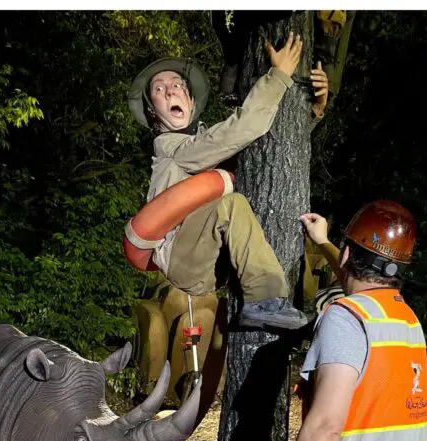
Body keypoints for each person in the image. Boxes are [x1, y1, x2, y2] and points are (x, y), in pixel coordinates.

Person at [127, 33, 329, 331]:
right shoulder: (172, 149)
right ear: (151, 112)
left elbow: (265, 148)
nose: (171, 92)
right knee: (231, 205)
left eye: (177, 85)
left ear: (192, 103)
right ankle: (266, 301)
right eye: (159, 89)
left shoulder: (204, 146)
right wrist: (278, 77)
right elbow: (239, 130)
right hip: (184, 259)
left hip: (212, 256)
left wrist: (312, 109)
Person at [286, 200, 427, 441]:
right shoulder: (407, 320)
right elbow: (360, 281)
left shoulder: (346, 317)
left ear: (346, 255)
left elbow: (325, 429)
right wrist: (323, 242)